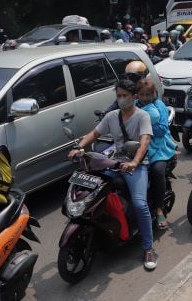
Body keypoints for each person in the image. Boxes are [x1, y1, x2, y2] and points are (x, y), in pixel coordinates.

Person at [68, 80, 158, 270]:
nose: (121, 99)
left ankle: (148, 247)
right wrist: (79, 147)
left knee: (140, 204)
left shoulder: (143, 116)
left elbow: (144, 142)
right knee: (92, 187)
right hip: (114, 161)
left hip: (136, 165)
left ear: (134, 97)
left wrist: (134, 162)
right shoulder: (111, 116)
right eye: (118, 95)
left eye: (125, 95)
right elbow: (94, 133)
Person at [136, 79, 177, 230]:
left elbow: (161, 130)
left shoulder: (159, 106)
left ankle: (159, 208)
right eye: (142, 94)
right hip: (138, 145)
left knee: (157, 170)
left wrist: (144, 124)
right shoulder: (134, 105)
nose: (145, 98)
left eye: (148, 94)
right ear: (137, 95)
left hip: (158, 148)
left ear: (154, 93)